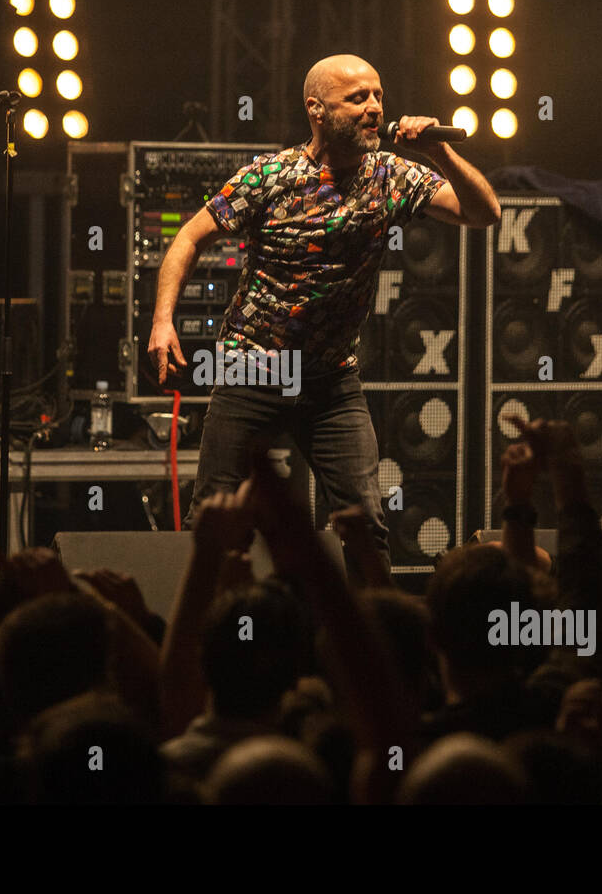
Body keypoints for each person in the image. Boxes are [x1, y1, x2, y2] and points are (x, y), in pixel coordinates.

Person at [148, 53, 501, 577]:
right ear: (317, 109)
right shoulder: (272, 175)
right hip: (253, 369)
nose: (374, 108)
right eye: (357, 98)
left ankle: (373, 647)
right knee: (217, 521)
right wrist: (162, 321)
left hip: (332, 380)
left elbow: (484, 213)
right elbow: (189, 236)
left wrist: (439, 150)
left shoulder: (390, 174)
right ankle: (208, 644)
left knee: (366, 523)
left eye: (378, 96)